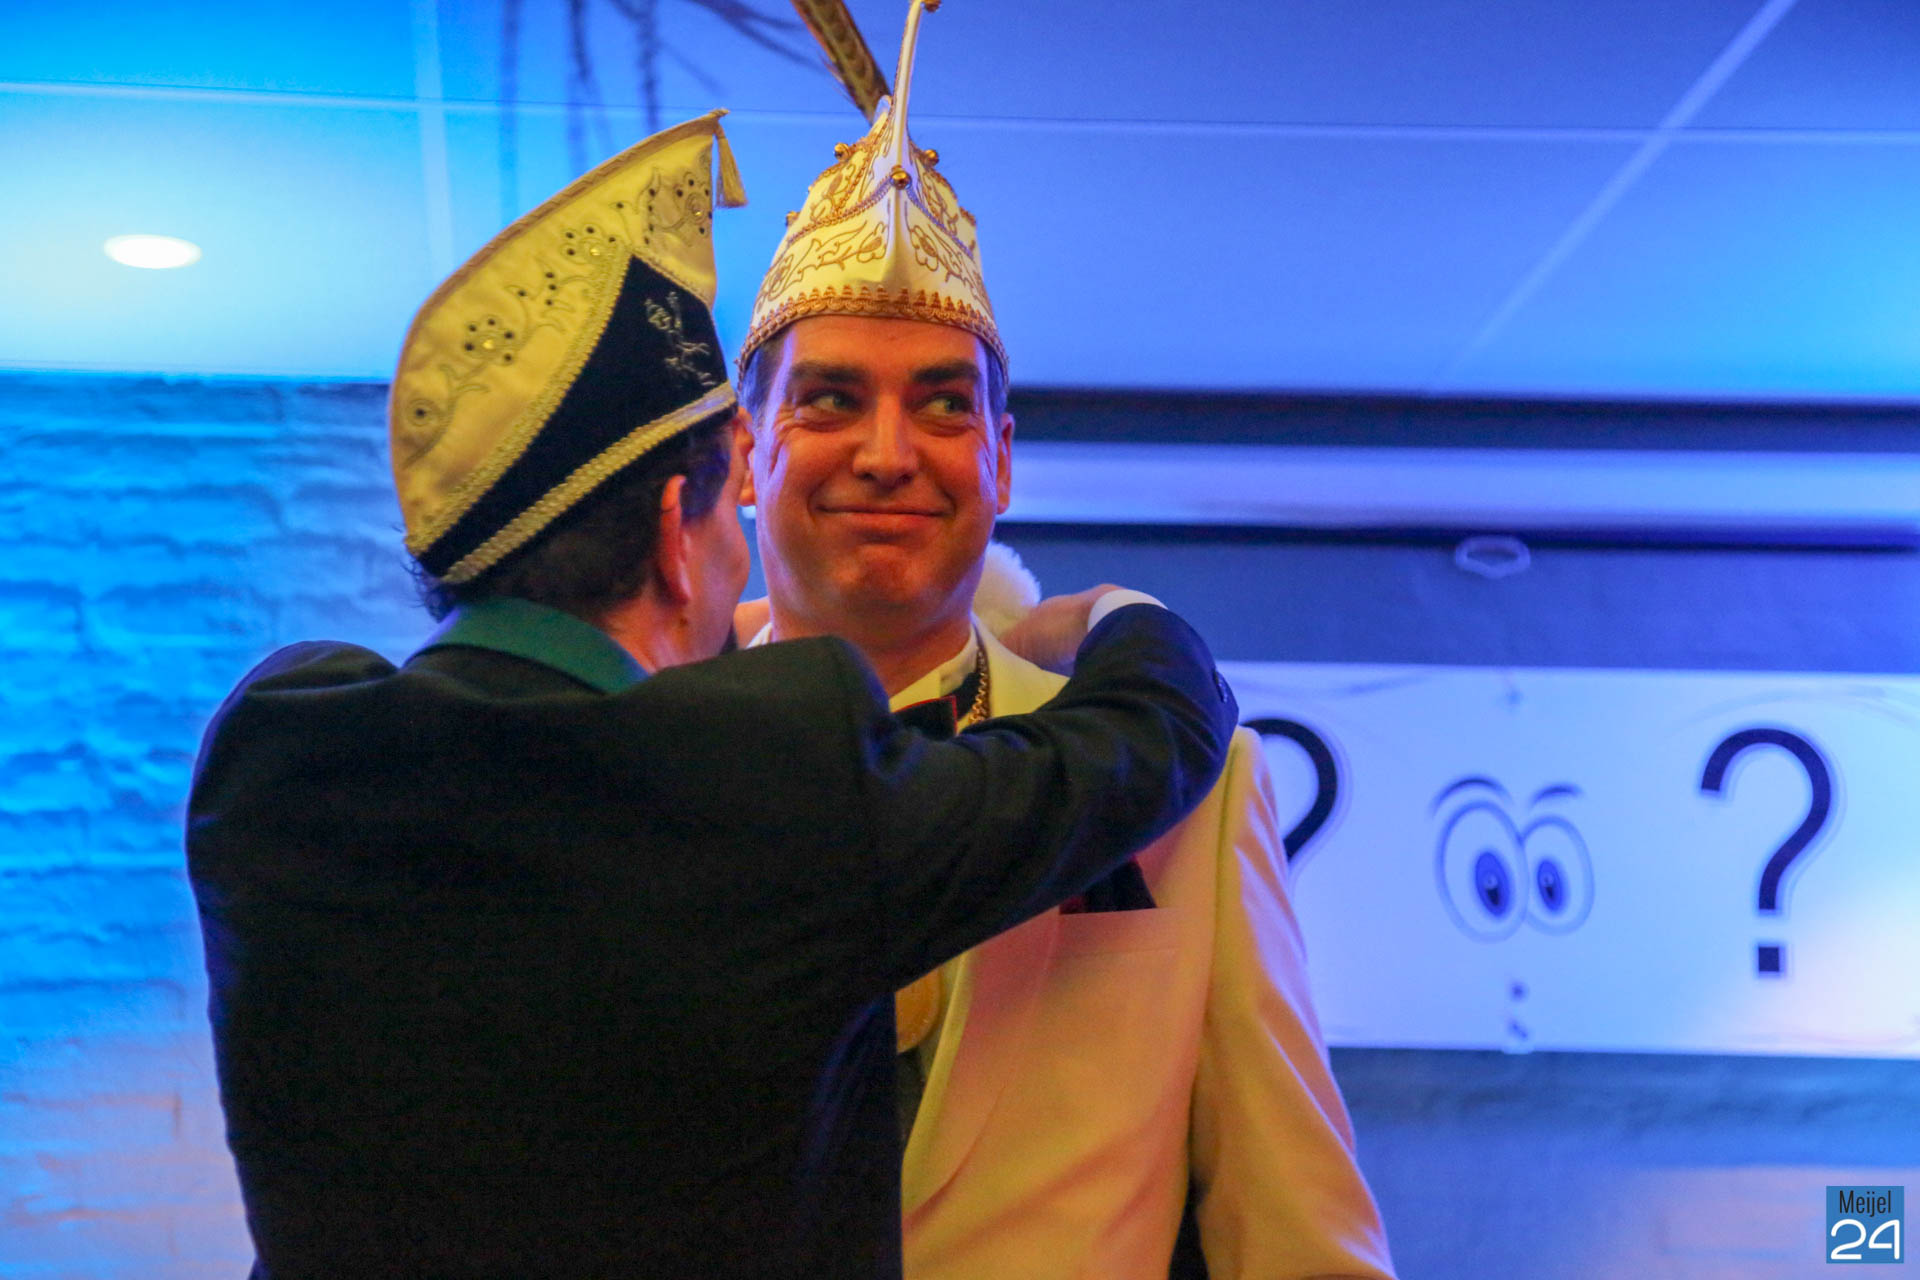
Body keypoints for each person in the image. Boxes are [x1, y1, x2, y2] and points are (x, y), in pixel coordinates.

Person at [185, 111, 1240, 1280]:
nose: (885, 454)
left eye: (941, 404)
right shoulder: (763, 777)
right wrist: (1110, 615)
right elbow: (1151, 732)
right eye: (722, 512)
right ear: (675, 541)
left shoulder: (274, 747)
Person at [734, 5, 1398, 1277]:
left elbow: (1296, 1224)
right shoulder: (632, 764)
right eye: (831, 399)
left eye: (942, 405)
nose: (888, 452)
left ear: (1001, 460)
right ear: (743, 456)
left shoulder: (1195, 791)